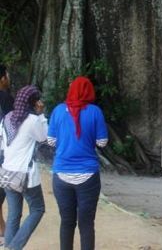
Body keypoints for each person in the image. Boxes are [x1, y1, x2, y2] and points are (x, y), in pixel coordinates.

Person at [47, 76, 108, 250]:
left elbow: (50, 141)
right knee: (86, 224)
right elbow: (102, 142)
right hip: (88, 176)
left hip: (61, 175)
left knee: (66, 222)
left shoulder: (58, 111)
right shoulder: (95, 112)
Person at [0, 85, 47, 250]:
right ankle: (14, 247)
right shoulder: (33, 120)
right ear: (34, 103)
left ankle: (9, 247)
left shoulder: (6, 118)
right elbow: (43, 137)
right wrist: (41, 115)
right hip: (25, 175)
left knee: (14, 215)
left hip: (6, 172)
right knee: (38, 209)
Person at [0, 65, 14, 242]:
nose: (9, 78)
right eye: (7, 75)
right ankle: (2, 226)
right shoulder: (5, 98)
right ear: (2, 78)